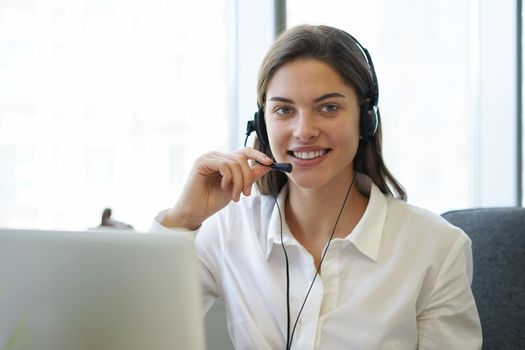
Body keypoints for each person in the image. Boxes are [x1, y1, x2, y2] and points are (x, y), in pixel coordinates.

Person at [151, 24, 482, 349]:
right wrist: (183, 218)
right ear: (262, 125)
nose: (304, 130)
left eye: (328, 107)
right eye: (284, 109)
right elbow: (136, 329)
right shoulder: (228, 232)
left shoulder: (436, 248)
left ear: (366, 119)